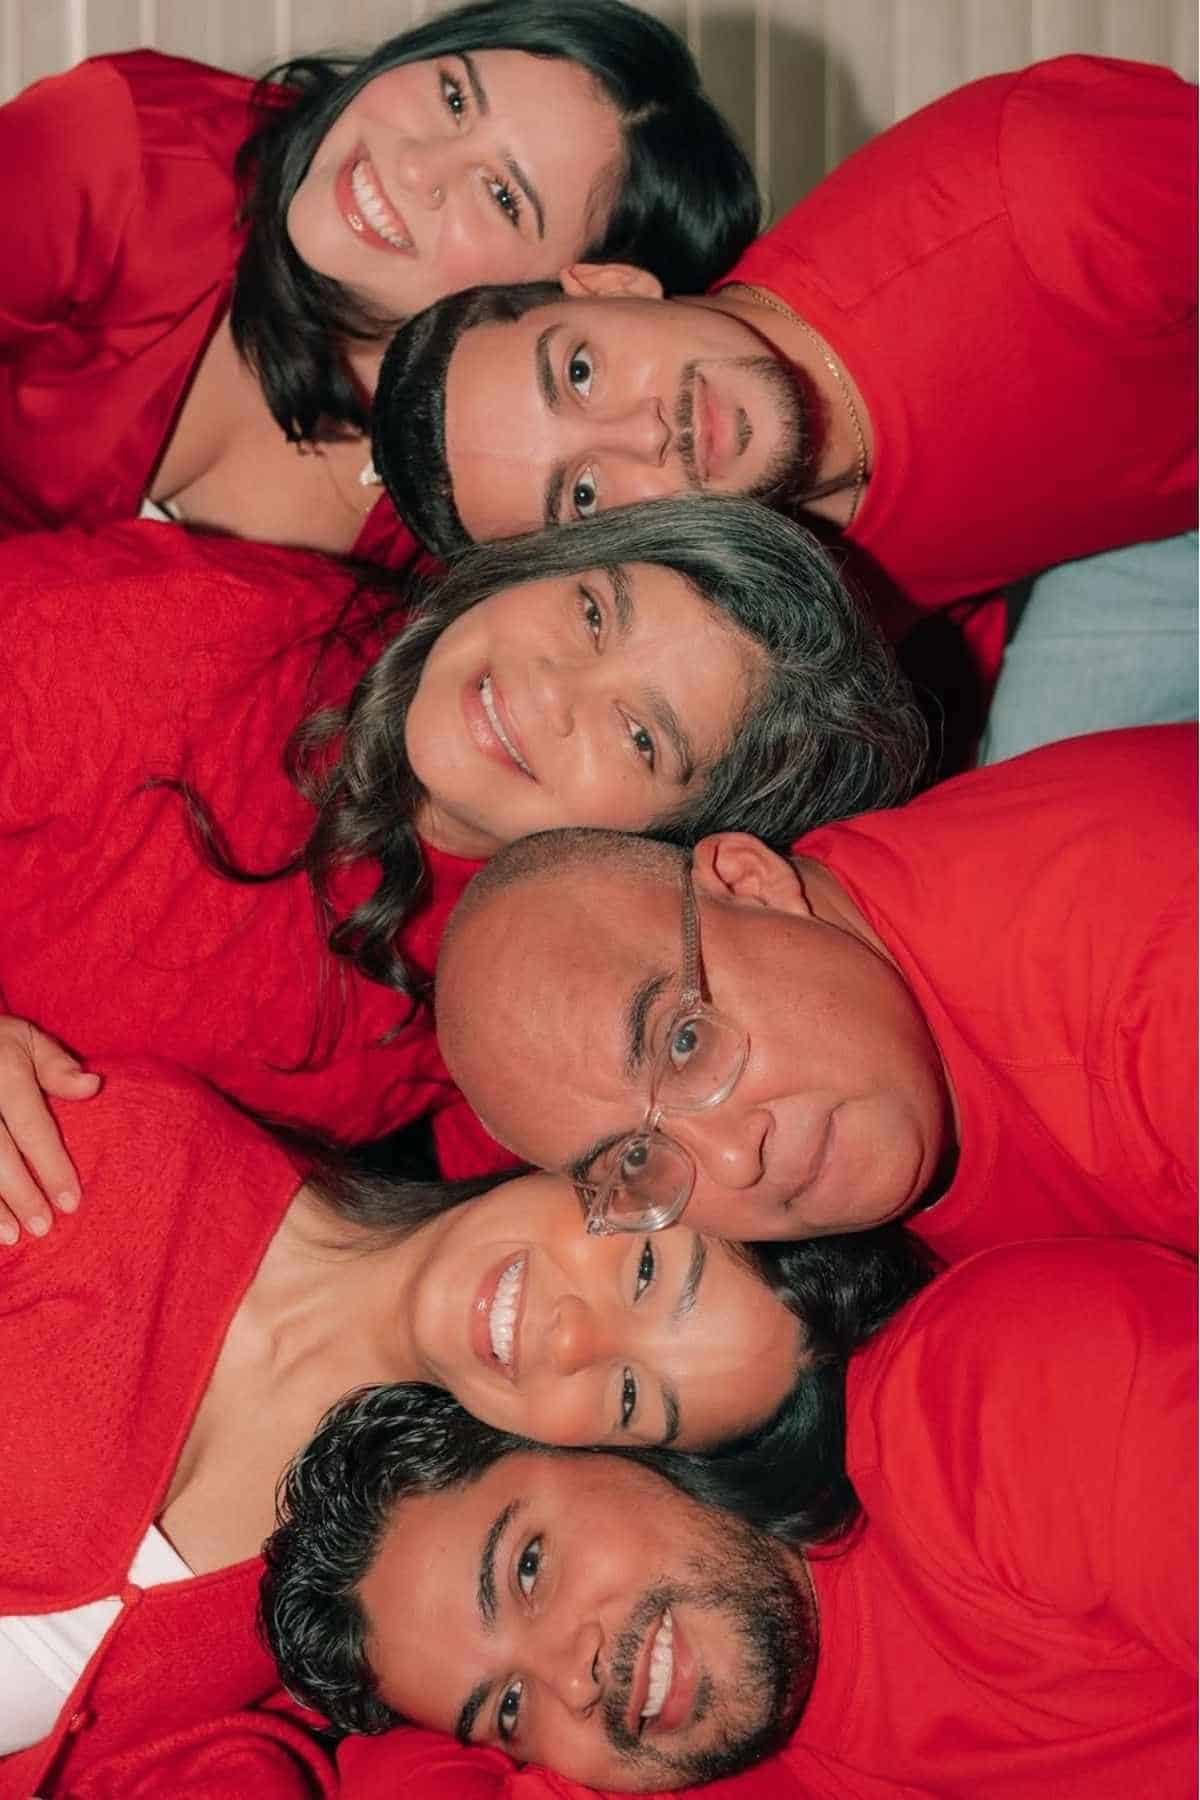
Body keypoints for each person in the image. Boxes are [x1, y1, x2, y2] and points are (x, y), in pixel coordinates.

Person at [0, 498, 926, 1242]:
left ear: (672, 846)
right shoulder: (195, 639)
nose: (554, 689)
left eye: (640, 735)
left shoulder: (555, 997)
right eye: (592, 612)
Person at [0, 1057, 928, 1796]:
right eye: (645, 1273)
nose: (571, 1336)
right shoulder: (110, 1159)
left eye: (630, 1397)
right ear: (615, 1162)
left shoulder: (364, 1616)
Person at [373, 53, 1198, 753]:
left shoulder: (1038, 187)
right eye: (583, 495)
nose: (646, 433)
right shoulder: (772, 572)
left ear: (614, 283)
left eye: (580, 373)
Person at [263, 1237, 1197, 1798]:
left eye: (530, 1570)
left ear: (612, 1439)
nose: (573, 1680)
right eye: (509, 1708)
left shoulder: (989, 1398)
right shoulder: (742, 1748)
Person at [0, 0, 758, 559]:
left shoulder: (509, 489)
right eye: (454, 97)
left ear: (575, 293)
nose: (416, 164)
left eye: (500, 196)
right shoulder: (125, 149)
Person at [436, 724, 1197, 1260]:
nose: (736, 1161)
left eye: (684, 1042)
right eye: (636, 1161)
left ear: (748, 883)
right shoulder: (863, 956)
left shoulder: (1153, 984)